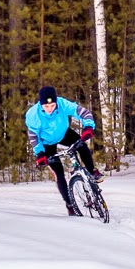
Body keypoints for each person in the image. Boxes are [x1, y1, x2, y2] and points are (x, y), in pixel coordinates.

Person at [25, 85, 103, 216]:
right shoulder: (33, 115)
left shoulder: (62, 104)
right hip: (46, 143)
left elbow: (84, 113)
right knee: (59, 172)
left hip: (63, 134)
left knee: (81, 145)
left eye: (52, 105)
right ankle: (69, 204)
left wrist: (88, 127)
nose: (50, 109)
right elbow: (33, 136)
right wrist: (40, 153)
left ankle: (92, 171)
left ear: (56, 102)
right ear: (41, 104)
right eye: (46, 106)